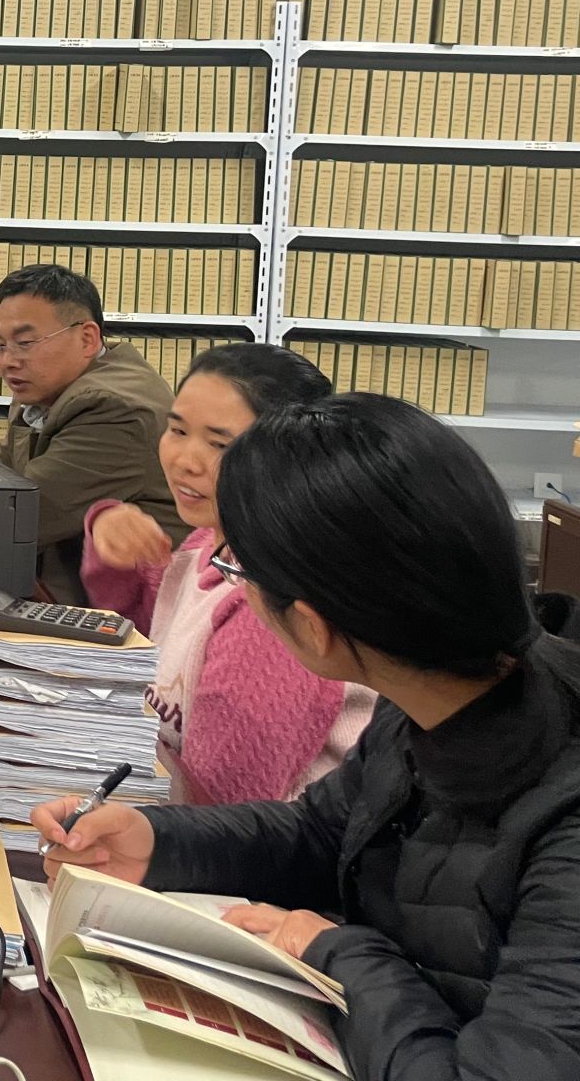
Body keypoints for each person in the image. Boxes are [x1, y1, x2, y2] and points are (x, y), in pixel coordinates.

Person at [35, 394, 580, 1081]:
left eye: (238, 568)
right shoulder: (437, 686)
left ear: (313, 627)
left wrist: (340, 952)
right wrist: (157, 841)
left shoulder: (559, 813)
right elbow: (326, 833)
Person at [80, 343, 372, 806]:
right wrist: (110, 536)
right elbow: (153, 634)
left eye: (220, 444)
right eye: (178, 430)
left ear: (286, 456)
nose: (186, 460)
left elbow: (227, 808)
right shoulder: (213, 540)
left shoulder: (273, 606)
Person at [0, 264, 184, 602]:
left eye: (25, 342)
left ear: (87, 338)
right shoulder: (44, 391)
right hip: (66, 587)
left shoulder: (114, 409)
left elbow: (20, 518)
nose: (7, 362)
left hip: (127, 610)